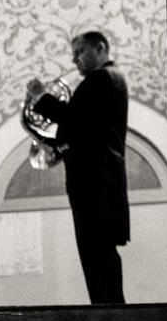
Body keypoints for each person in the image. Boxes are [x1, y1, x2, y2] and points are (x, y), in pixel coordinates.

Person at [27, 31, 129, 304]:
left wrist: (40, 97)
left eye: (80, 51)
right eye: (74, 54)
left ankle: (109, 318)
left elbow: (74, 119)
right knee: (98, 254)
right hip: (98, 177)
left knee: (96, 254)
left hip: (95, 180)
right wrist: (57, 145)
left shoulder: (102, 79)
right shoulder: (108, 80)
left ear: (100, 47)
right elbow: (86, 130)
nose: (75, 59)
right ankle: (109, 313)